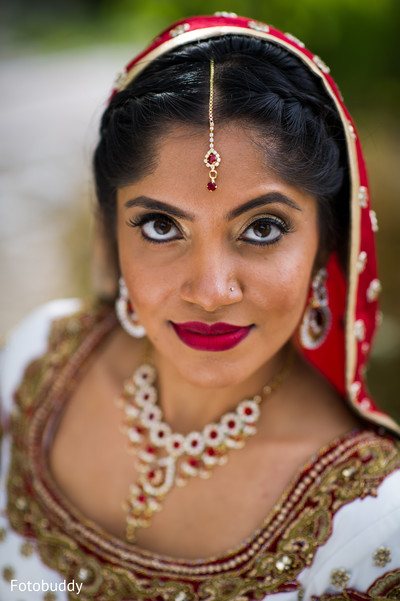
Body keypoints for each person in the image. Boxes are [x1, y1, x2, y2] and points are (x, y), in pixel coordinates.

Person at [1, 12, 400, 601]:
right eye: (161, 225)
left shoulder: (373, 526)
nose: (211, 292)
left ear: (326, 247)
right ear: (113, 233)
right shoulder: (38, 361)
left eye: (262, 228)